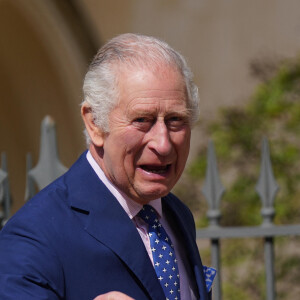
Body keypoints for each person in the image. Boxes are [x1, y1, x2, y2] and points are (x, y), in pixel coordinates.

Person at [0, 33, 212, 300]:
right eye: (142, 120)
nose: (163, 144)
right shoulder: (35, 238)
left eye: (175, 120)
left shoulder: (175, 214)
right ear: (95, 123)